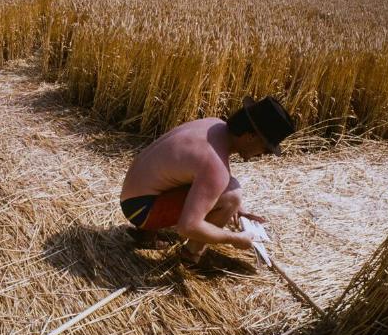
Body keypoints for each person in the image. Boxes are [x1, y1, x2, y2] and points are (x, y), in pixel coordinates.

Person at [120, 96, 295, 264]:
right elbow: (187, 227)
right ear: (251, 137)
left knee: (228, 190)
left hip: (133, 194)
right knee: (232, 195)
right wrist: (234, 239)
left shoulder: (215, 124)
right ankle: (192, 255)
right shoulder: (215, 167)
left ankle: (146, 234)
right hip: (141, 210)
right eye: (265, 150)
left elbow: (200, 172)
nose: (262, 155)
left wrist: (240, 210)